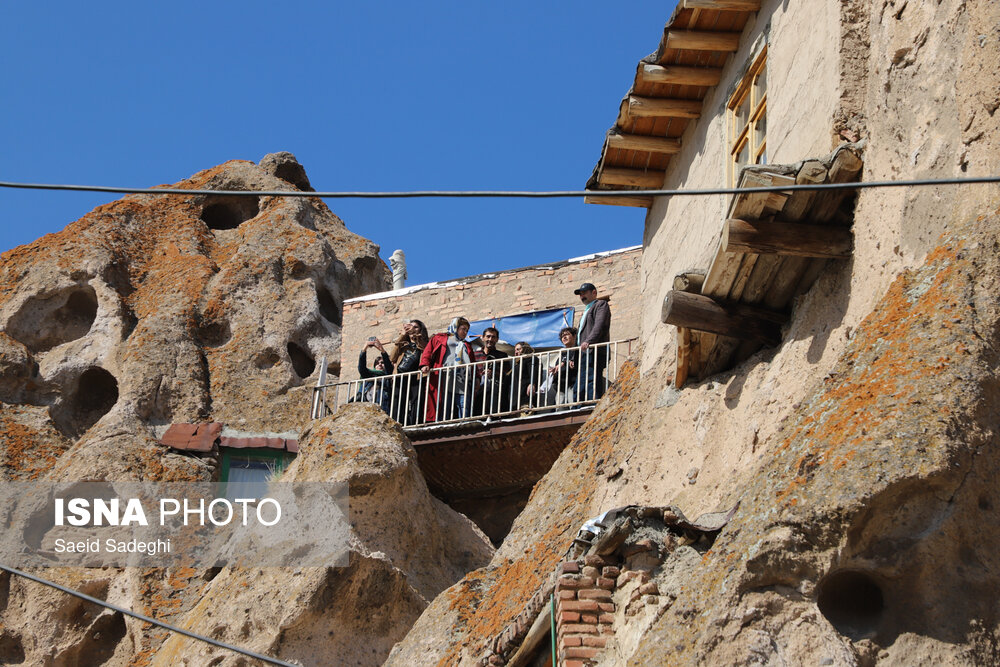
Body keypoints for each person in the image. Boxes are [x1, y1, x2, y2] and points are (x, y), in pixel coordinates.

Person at [420, 317, 477, 422]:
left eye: (467, 330)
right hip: (444, 376)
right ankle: (443, 424)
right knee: (444, 403)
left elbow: (473, 363)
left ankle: (465, 423)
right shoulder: (439, 338)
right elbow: (427, 352)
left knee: (464, 404)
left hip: (461, 378)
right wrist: (424, 364)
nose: (465, 332)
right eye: (463, 329)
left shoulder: (466, 344)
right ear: (456, 327)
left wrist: (476, 377)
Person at [574, 282, 611, 401]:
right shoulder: (586, 310)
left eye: (584, 293)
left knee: (591, 379)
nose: (582, 296)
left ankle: (591, 404)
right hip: (584, 352)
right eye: (580, 294)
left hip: (594, 350)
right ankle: (579, 405)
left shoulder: (600, 305)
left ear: (594, 292)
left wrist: (589, 341)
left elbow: (599, 326)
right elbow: (579, 334)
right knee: (581, 381)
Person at [389, 320, 429, 425]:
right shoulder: (403, 343)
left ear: (420, 329)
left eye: (415, 327)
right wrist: (402, 336)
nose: (412, 329)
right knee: (398, 400)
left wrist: (417, 338)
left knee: (416, 399)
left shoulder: (424, 342)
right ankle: (398, 423)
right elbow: (392, 357)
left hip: (416, 376)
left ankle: (415, 423)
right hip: (400, 376)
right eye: (411, 327)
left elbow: (426, 351)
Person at [474, 327, 509, 416]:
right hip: (476, 392)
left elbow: (507, 374)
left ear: (497, 339)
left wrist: (493, 373)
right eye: (488, 336)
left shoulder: (502, 355)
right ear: (483, 338)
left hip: (494, 394)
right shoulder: (474, 355)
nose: (490, 339)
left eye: (493, 337)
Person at [354, 338, 393, 413]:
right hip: (366, 405)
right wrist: (364, 348)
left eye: (382, 363)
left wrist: (382, 350)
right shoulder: (369, 375)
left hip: (382, 405)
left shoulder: (387, 375)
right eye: (377, 363)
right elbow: (361, 368)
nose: (380, 364)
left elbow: (389, 367)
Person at [545, 327, 579, 406]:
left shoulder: (577, 350)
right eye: (562, 336)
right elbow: (558, 367)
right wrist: (554, 372)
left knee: (573, 405)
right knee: (559, 408)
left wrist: (568, 363)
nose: (564, 337)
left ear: (574, 336)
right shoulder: (562, 353)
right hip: (560, 386)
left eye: (567, 334)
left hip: (572, 385)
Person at [510, 341, 538, 412]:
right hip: (514, 401)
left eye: (518, 349)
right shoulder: (516, 364)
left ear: (525, 349)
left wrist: (532, 383)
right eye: (515, 350)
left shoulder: (531, 359)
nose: (516, 352)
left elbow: (534, 372)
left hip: (525, 398)